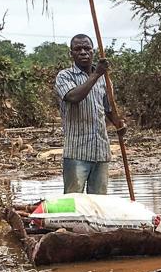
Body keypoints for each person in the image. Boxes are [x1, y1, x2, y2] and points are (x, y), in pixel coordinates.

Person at [54, 34, 126, 195]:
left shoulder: (104, 79)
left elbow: (108, 109)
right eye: (78, 49)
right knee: (74, 200)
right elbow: (74, 97)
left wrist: (119, 124)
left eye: (87, 48)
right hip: (77, 151)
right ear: (71, 53)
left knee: (99, 201)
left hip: (101, 150)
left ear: (93, 52)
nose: (83, 52)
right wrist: (96, 75)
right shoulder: (65, 76)